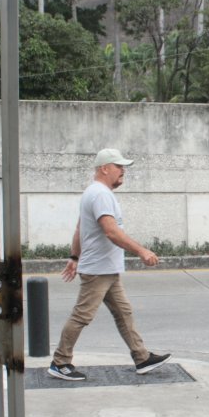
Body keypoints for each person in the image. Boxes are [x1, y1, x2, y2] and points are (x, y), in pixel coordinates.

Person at [48, 148, 171, 381]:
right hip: (98, 270)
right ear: (105, 168)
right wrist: (142, 251)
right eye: (119, 166)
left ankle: (142, 357)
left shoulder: (94, 193)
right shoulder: (101, 194)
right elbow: (111, 232)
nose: (123, 171)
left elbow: (79, 229)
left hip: (106, 269)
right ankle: (59, 362)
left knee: (123, 313)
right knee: (81, 316)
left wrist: (74, 257)